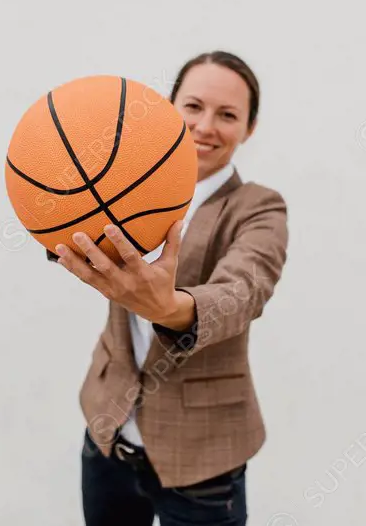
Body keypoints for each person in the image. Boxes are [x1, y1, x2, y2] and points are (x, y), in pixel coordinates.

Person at [52, 51, 290, 525]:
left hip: (202, 461)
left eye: (227, 115)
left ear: (250, 128)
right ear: (169, 106)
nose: (206, 126)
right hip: (107, 435)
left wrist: (174, 307)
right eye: (194, 106)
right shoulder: (123, 185)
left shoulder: (257, 207)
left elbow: (245, 289)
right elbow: (67, 227)